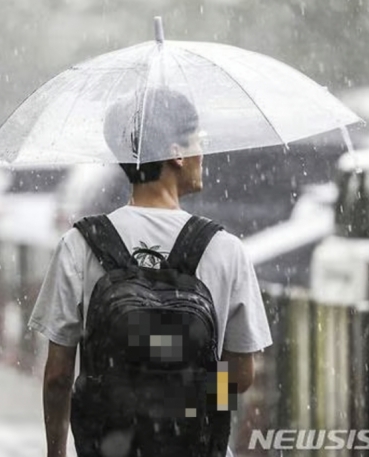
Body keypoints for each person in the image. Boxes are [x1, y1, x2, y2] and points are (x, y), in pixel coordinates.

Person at [28, 87, 273, 457]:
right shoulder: (225, 250)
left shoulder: (80, 244)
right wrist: (183, 399)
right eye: (197, 140)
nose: (201, 152)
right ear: (175, 153)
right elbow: (242, 375)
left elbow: (58, 376)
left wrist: (57, 451)